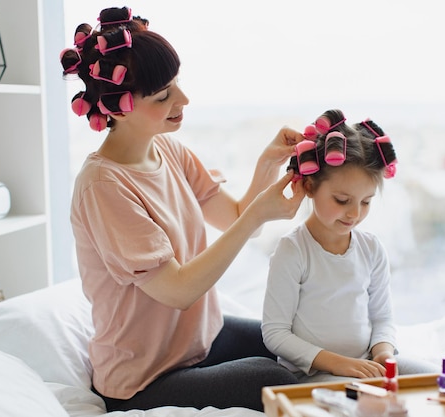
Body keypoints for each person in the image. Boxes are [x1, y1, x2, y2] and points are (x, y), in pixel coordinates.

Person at [60, 6, 306, 412]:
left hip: (198, 343)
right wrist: (256, 217)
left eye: (177, 84)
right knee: (271, 378)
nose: (183, 99)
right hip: (144, 378)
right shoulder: (104, 186)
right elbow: (179, 290)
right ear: (119, 107)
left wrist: (267, 163)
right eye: (163, 96)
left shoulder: (168, 149)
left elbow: (236, 214)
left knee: (295, 336)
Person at [261, 109, 437, 383]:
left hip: (364, 364)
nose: (354, 213)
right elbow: (276, 333)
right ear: (309, 186)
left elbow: (383, 319)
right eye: (342, 200)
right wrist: (338, 364)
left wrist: (383, 353)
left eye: (365, 201)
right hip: (315, 372)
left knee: (432, 382)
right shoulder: (293, 251)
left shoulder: (371, 249)